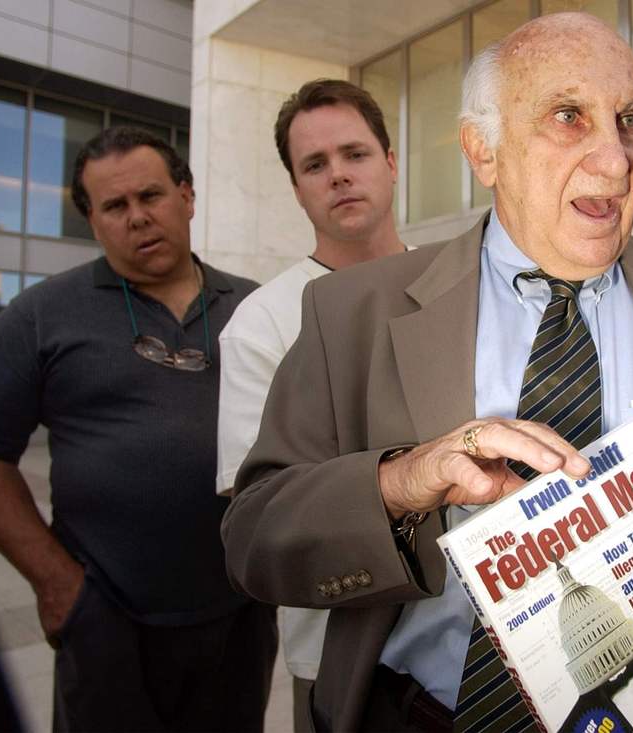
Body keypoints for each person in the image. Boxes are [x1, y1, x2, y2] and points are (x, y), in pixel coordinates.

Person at [223, 13, 633, 732]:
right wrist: (401, 482)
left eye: (630, 119)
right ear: (483, 150)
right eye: (569, 116)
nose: (616, 157)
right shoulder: (351, 313)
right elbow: (254, 537)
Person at [0, 127, 276, 731]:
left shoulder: (257, 308)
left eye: (151, 196)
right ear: (92, 220)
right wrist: (57, 586)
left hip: (238, 616)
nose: (137, 218)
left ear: (187, 196)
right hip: (105, 621)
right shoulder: (39, 315)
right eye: (114, 206)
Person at [216, 79, 407, 731]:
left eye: (354, 153)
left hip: (481, 648)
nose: (339, 176)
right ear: (297, 188)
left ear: (391, 161)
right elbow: (263, 524)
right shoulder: (262, 323)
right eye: (315, 165)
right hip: (340, 663)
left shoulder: (463, 287)